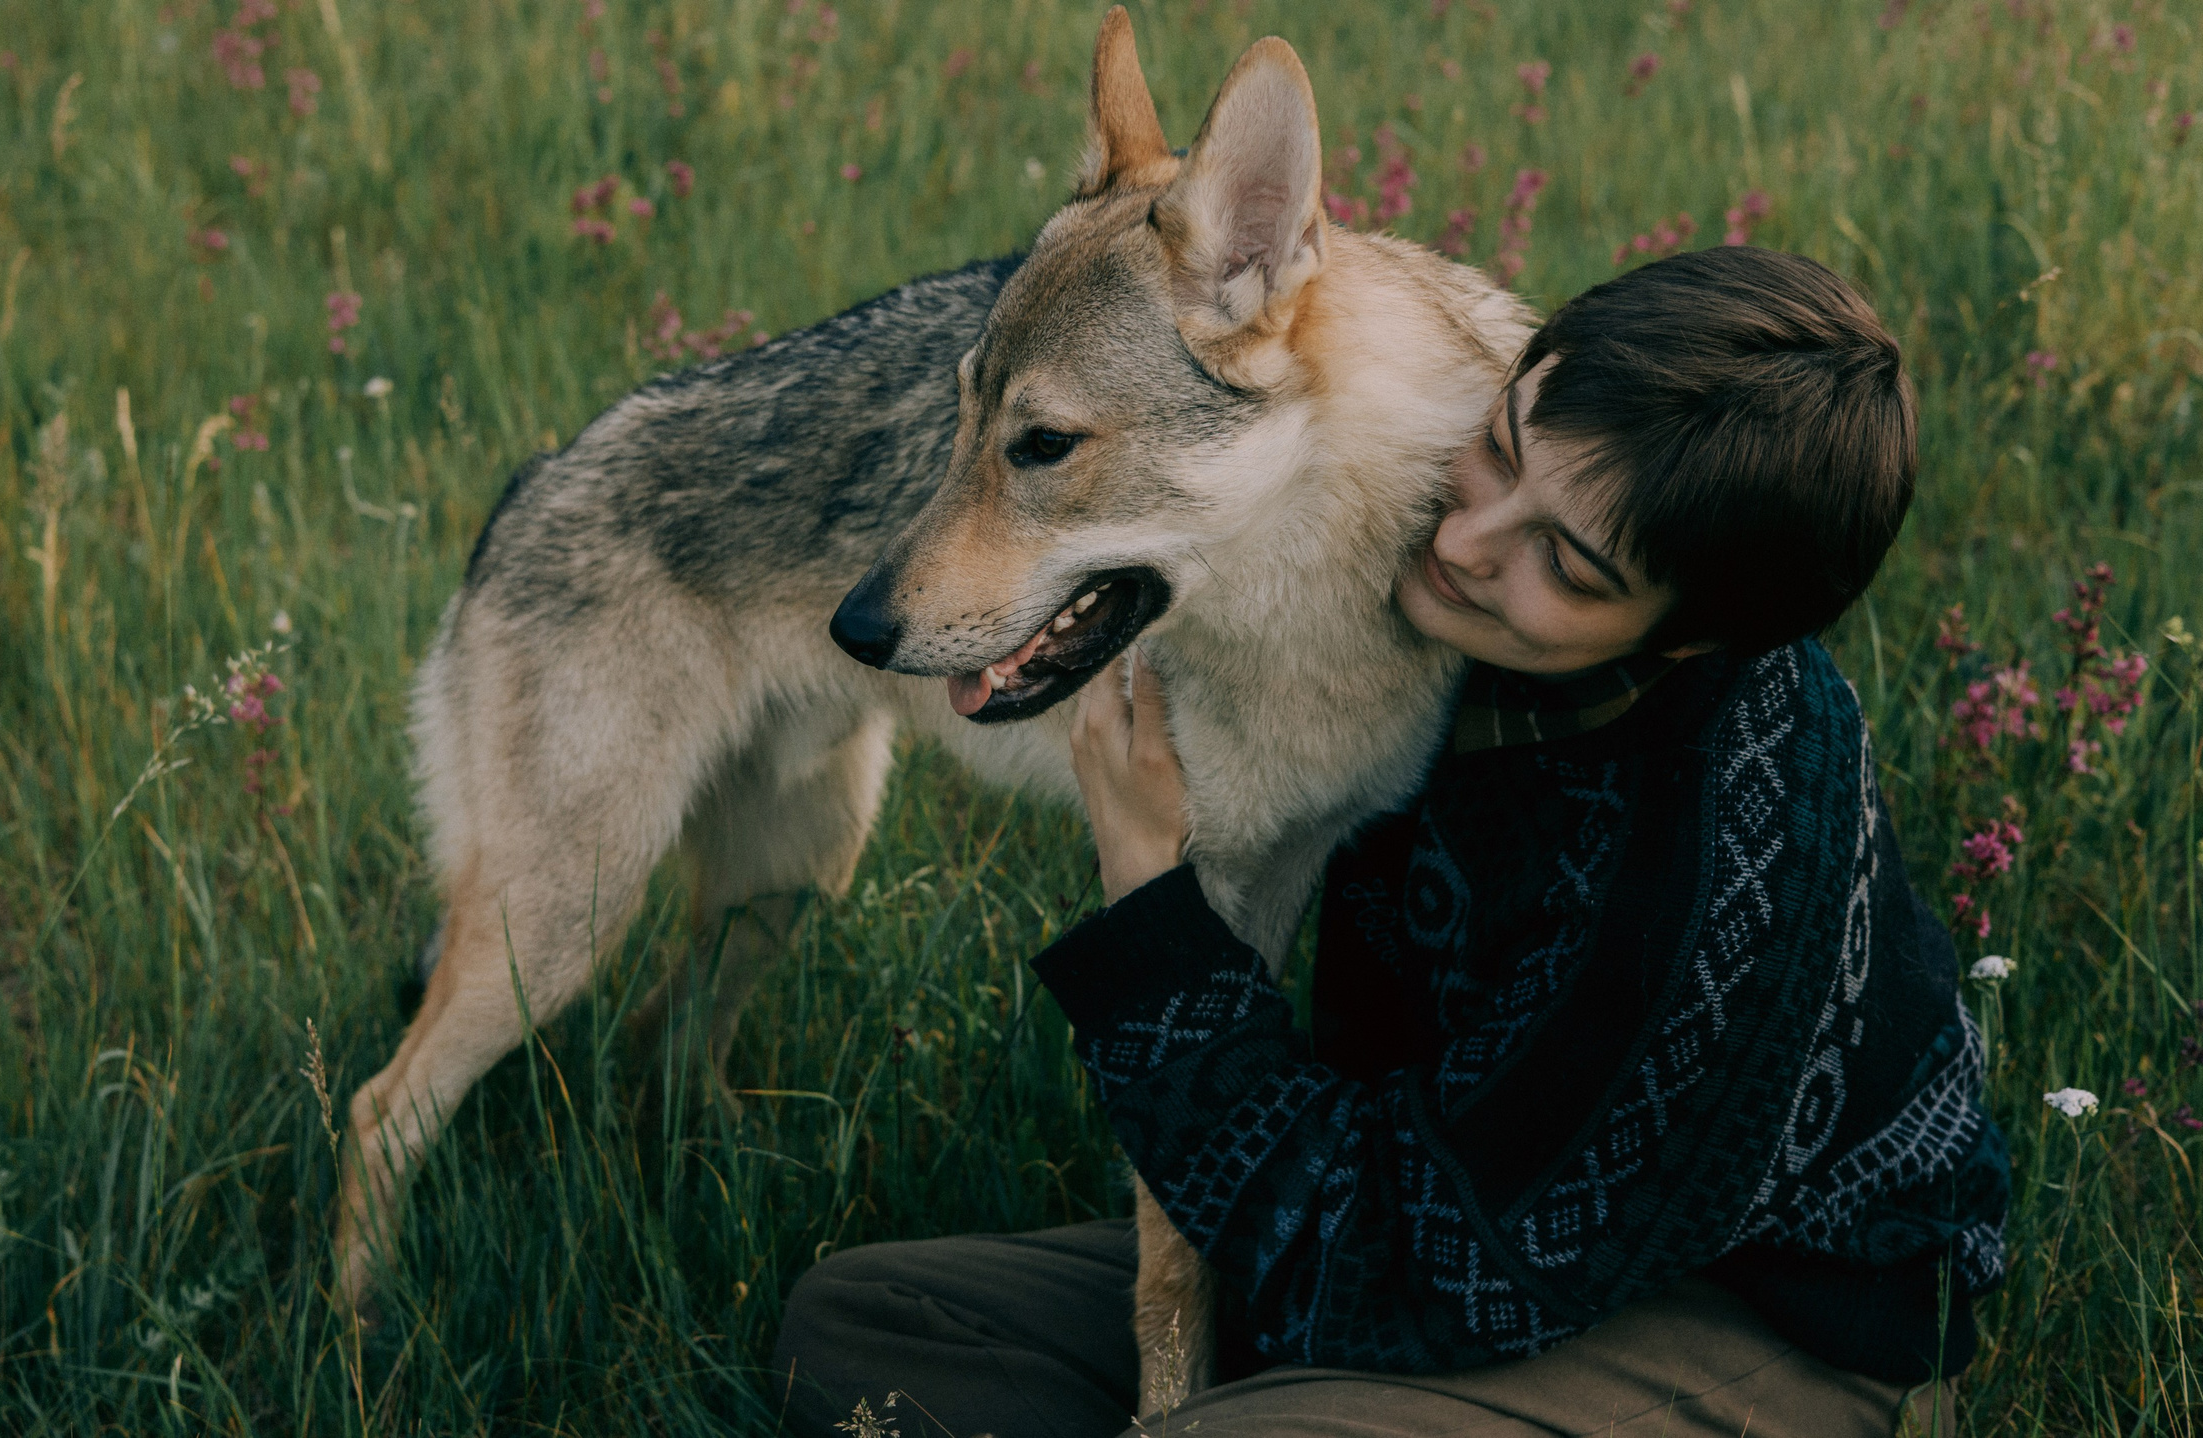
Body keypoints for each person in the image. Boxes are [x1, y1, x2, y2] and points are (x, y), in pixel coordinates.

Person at [770, 248, 2009, 1438]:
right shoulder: (1462, 627)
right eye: (1499, 448)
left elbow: (1400, 1282)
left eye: (1561, 562)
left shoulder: (1699, 891)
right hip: (1422, 1195)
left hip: (1750, 1325)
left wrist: (1148, 896)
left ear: (1686, 637)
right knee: (867, 1325)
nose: (1466, 543)